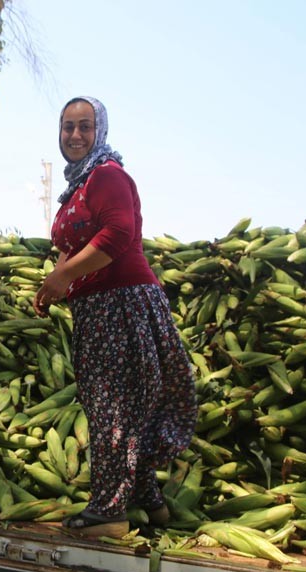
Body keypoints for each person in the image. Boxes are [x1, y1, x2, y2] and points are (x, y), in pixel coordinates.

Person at [34, 96, 197, 538]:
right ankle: (148, 499)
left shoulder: (107, 175)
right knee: (121, 405)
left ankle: (109, 512)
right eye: (67, 127)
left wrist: (61, 277)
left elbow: (119, 234)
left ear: (100, 131)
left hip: (121, 304)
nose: (75, 135)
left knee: (112, 407)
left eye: (85, 126)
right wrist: (57, 281)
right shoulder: (78, 186)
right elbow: (73, 245)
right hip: (96, 307)